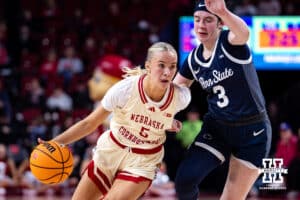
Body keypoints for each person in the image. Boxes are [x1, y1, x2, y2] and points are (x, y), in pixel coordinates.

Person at [39, 42, 191, 200]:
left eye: (173, 66)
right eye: (161, 65)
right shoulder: (125, 89)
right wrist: (55, 142)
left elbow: (185, 82)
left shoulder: (180, 97)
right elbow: (89, 123)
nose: (167, 72)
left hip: (143, 161)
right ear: (148, 66)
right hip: (112, 151)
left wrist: (167, 121)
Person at [173, 0, 272, 199]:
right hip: (218, 128)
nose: (201, 25)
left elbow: (244, 33)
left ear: (220, 24)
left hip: (252, 131)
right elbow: (174, 92)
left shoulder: (231, 43)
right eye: (197, 19)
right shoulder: (192, 59)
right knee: (184, 180)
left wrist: (223, 11)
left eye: (208, 20)